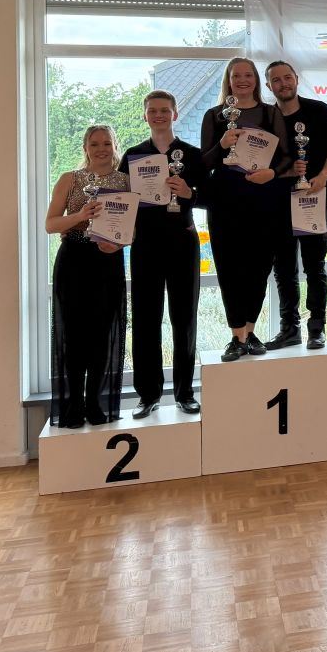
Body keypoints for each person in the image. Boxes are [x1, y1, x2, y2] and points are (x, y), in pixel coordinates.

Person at [200, 57, 291, 363]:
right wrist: (222, 144)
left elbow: (286, 158)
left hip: (263, 199)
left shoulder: (270, 113)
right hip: (225, 201)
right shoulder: (214, 115)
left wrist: (272, 174)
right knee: (229, 268)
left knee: (259, 267)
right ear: (228, 80)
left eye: (248, 75)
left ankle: (250, 332)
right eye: (236, 75)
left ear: (256, 80)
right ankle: (236, 336)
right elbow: (203, 163)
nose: (242, 80)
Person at [120, 91, 205, 418]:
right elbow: (121, 199)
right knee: (145, 320)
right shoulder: (132, 155)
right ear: (145, 115)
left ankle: (185, 393)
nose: (159, 115)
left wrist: (189, 193)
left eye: (164, 110)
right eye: (153, 111)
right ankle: (148, 394)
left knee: (184, 319)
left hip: (183, 242)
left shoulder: (192, 155)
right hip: (145, 245)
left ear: (175, 114)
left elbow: (211, 197)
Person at [45, 124, 127, 429]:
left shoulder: (125, 181)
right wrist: (81, 216)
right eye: (95, 144)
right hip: (74, 262)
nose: (101, 149)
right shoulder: (70, 179)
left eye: (107, 143)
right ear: (85, 148)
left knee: (101, 335)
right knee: (74, 336)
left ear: (114, 146)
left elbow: (133, 228)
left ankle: (94, 402)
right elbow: (50, 224)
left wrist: (119, 243)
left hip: (108, 261)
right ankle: (73, 406)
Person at [264, 61, 327, 351]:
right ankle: (290, 328)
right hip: (278, 202)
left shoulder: (319, 110)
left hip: (313, 199)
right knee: (283, 269)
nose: (283, 83)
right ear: (269, 85)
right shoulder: (266, 118)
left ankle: (317, 328)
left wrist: (322, 176)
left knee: (314, 267)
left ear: (296, 79)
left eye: (287, 77)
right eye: (276, 80)